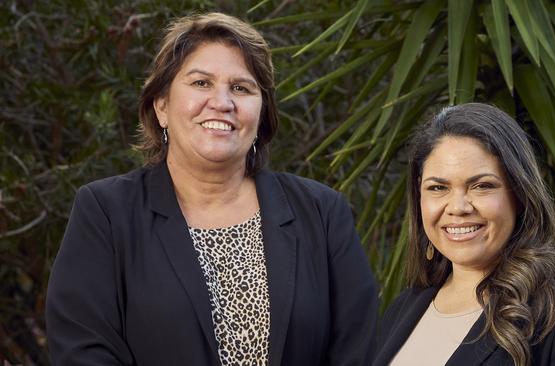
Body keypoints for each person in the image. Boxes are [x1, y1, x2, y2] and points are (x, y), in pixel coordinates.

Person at [46, 12, 377, 366]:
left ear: (262, 112)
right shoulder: (105, 212)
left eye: (241, 88)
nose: (222, 102)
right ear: (161, 106)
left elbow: (358, 350)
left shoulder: (322, 212)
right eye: (201, 83)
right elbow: (82, 349)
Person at [374, 103, 555, 366]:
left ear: (519, 194)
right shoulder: (402, 310)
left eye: (482, 186)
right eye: (438, 187)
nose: (458, 207)